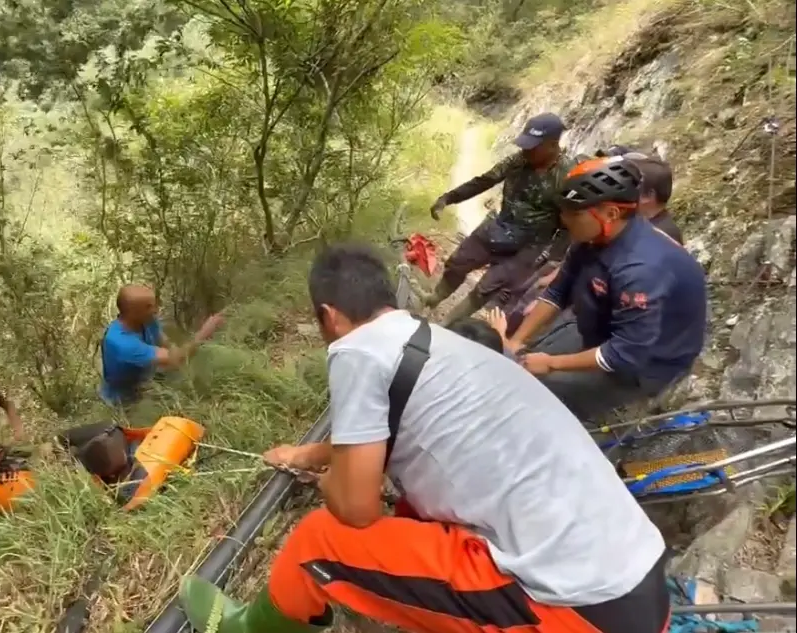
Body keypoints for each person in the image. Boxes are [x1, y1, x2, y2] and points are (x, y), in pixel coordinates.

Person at [178, 243, 669, 633]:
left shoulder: (357, 350)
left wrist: (331, 480)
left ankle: (245, 628)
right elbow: (380, 429)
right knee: (413, 512)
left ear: (328, 316)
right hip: (637, 582)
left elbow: (356, 508)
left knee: (317, 541)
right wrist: (311, 453)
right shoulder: (435, 342)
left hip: (572, 609)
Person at [506, 156, 706, 420]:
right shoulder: (593, 237)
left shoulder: (641, 269)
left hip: (643, 361)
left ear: (611, 213)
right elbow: (558, 291)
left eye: (574, 213)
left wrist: (551, 363)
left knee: (537, 392)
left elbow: (623, 354)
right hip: (605, 327)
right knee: (519, 363)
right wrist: (516, 341)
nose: (564, 220)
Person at [425, 113, 577, 325]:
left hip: (528, 247)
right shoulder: (518, 160)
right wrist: (449, 198)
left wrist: (553, 258)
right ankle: (434, 298)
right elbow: (485, 180)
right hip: (499, 227)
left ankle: (445, 325)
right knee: (458, 262)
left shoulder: (568, 177)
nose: (526, 150)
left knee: (485, 288)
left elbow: (570, 223)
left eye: (533, 147)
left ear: (552, 145)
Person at [99, 284, 225, 406]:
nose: (155, 310)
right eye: (148, 307)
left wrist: (176, 354)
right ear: (132, 313)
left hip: (147, 380)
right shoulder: (122, 344)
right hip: (124, 401)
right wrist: (204, 333)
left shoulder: (147, 319)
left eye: (154, 304)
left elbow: (165, 343)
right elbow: (176, 359)